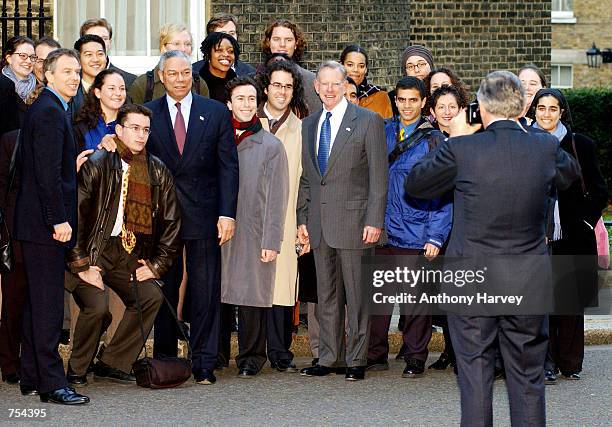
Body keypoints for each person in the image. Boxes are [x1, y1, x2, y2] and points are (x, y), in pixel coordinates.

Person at [405, 71, 580, 426]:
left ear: (481, 106)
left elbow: (416, 183)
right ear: (523, 107)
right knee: (528, 377)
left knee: (474, 376)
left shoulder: (462, 148)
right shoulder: (544, 146)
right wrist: (529, 132)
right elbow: (571, 175)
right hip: (527, 280)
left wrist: (454, 135)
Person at [64, 103, 180, 386]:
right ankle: (76, 369)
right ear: (118, 130)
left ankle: (113, 362)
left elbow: (172, 223)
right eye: (134, 128)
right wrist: (82, 264)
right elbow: (75, 217)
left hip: (128, 251)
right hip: (91, 249)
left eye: (146, 130)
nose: (141, 136)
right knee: (98, 304)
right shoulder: (98, 163)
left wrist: (156, 265)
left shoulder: (157, 170)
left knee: (151, 295)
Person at [144, 50, 238, 385]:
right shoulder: (148, 114)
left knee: (205, 287)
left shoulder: (213, 112)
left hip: (206, 212)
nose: (180, 79)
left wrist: (228, 214)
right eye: (173, 73)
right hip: (163, 217)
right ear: (162, 76)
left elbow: (228, 166)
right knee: (165, 289)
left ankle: (204, 362)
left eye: (186, 73)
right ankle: (167, 361)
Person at [297, 61, 388, 381]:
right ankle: (328, 358)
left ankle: (356, 360)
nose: (330, 89)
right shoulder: (308, 125)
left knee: (358, 296)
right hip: (320, 225)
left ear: (344, 84)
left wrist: (375, 221)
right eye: (324, 84)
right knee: (327, 297)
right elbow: (307, 179)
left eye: (336, 83)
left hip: (356, 224)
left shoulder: (367, 121)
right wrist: (302, 219)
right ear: (317, 88)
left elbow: (379, 177)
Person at [13, 48, 90, 404]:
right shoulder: (49, 112)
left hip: (34, 225)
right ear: (49, 75)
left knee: (35, 304)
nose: (74, 77)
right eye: (67, 72)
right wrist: (58, 219)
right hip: (44, 226)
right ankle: (51, 384)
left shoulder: (51, 108)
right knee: (46, 307)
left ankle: (31, 374)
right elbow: (46, 176)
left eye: (77, 72)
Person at [366, 76, 450, 376]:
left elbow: (444, 192)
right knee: (379, 297)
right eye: (401, 99)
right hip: (382, 228)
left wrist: (436, 236)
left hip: (416, 230)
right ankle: (375, 353)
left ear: (423, 102)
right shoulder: (381, 131)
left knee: (416, 302)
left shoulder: (434, 140)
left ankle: (416, 355)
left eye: (413, 99)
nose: (406, 105)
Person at [530, 88, 607, 384]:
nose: (546, 114)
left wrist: (587, 222)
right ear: (533, 110)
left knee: (570, 303)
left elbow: (599, 190)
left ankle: (570, 361)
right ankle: (545, 362)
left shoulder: (579, 144)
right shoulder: (525, 141)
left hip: (574, 234)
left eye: (553, 108)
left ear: (562, 112)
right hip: (538, 236)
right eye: (541, 108)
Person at [221, 76, 289, 378]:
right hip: (221, 226)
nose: (246, 105)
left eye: (251, 99)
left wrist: (272, 240)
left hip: (255, 227)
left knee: (252, 295)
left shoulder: (271, 145)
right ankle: (219, 353)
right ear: (229, 103)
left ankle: (251, 355)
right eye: (240, 99)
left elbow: (278, 197)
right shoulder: (218, 138)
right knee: (219, 293)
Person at [257, 60, 308, 372]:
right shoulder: (248, 121)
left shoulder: (301, 130)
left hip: (287, 217)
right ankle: (251, 354)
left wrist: (304, 222)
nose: (282, 91)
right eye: (276, 85)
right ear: (266, 88)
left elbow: (307, 180)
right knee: (253, 284)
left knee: (283, 286)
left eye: (288, 86)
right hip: (251, 216)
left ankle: (279, 352)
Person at [128, 23, 209, 104]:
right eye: (176, 44)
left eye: (187, 44)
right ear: (163, 47)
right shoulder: (143, 85)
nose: (183, 49)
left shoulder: (199, 83)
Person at [258, 19, 320, 112]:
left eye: (288, 40)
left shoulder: (311, 81)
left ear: (296, 44)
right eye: (276, 39)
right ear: (268, 42)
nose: (282, 44)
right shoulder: (255, 77)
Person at [74, 69, 127, 151]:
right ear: (98, 92)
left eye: (122, 89)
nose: (118, 93)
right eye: (112, 88)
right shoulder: (82, 126)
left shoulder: (130, 125)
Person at [193, 12, 255, 77]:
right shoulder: (194, 71)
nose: (228, 38)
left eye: (232, 33)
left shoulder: (250, 73)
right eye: (222, 33)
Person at [79, 18, 137, 87]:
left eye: (104, 38)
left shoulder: (129, 81)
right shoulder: (70, 79)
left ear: (110, 43)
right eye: (92, 38)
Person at [339, 45, 392, 118]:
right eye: (350, 65)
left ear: (366, 69)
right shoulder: (331, 95)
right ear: (341, 66)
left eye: (361, 66)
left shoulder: (380, 97)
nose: (355, 70)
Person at [1, 36, 36, 128]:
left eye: (32, 57)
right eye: (23, 56)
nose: (29, 61)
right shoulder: (2, 86)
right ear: (9, 58)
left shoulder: (40, 87)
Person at [389, 45, 435, 117]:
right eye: (410, 66)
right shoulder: (391, 98)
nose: (416, 70)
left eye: (421, 64)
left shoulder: (439, 93)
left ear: (431, 66)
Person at [71, 34, 108, 118]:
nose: (95, 59)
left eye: (100, 54)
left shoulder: (117, 89)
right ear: (78, 59)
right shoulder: (70, 92)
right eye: (89, 55)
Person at [197, 32, 239, 103]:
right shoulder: (198, 84)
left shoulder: (238, 83)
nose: (226, 54)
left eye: (230, 51)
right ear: (208, 54)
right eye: (219, 50)